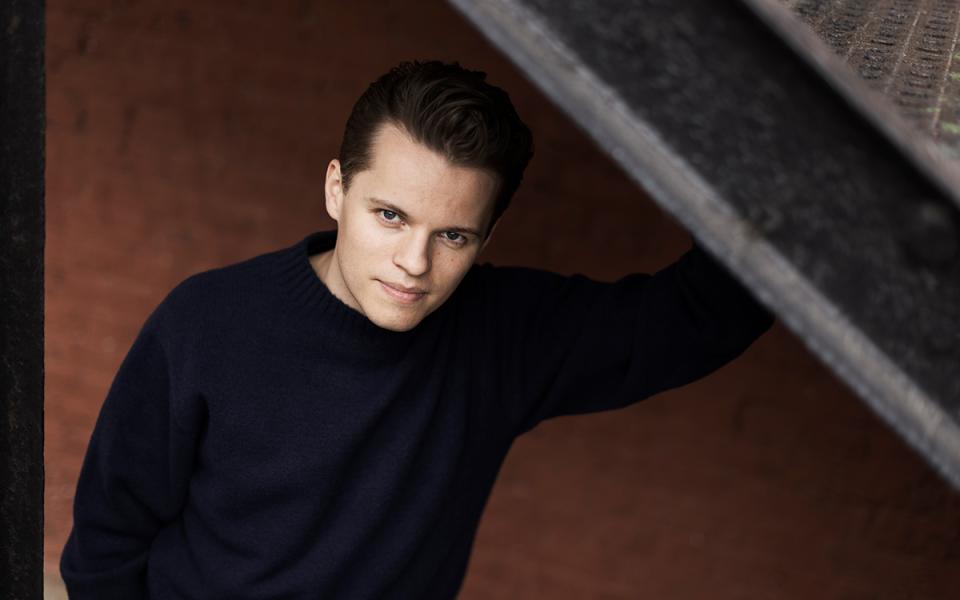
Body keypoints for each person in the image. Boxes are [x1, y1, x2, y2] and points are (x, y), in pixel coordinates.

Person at [60, 60, 775, 599]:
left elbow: (697, 317)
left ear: (487, 237)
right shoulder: (207, 322)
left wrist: (763, 166)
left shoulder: (500, 337)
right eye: (391, 215)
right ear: (338, 189)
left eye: (454, 236)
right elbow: (107, 541)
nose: (414, 263)